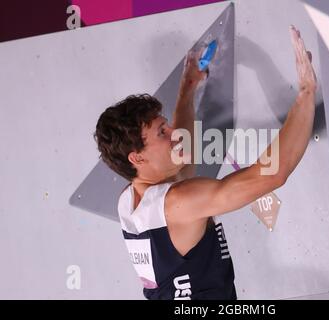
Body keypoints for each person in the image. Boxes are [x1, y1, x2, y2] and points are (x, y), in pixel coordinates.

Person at [94, 25, 316, 300]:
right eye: (162, 132)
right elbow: (271, 175)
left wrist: (188, 88)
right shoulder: (177, 202)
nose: (174, 133)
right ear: (137, 157)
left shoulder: (130, 200)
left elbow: (180, 170)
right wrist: (306, 92)